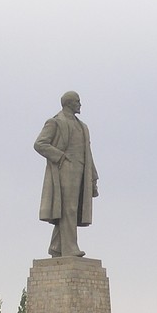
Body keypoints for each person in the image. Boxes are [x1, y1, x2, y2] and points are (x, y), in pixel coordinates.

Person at [34, 91, 99, 258]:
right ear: (69, 103)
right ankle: (70, 248)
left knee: (72, 209)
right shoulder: (55, 122)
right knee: (68, 208)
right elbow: (40, 144)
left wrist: (93, 176)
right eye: (77, 101)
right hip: (64, 169)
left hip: (81, 170)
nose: (80, 104)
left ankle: (57, 247)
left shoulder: (83, 126)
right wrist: (60, 157)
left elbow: (88, 152)